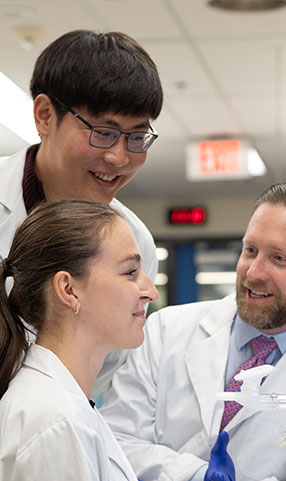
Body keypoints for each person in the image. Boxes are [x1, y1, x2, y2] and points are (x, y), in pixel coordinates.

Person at [99, 182, 286, 481]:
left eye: (278, 259)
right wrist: (193, 476)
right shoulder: (166, 330)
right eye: (250, 250)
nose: (254, 272)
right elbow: (115, 442)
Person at [0, 29, 164, 400]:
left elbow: (98, 381)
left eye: (137, 137)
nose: (119, 158)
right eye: (103, 132)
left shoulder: (136, 244)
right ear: (45, 115)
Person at [0, 200, 160, 481]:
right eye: (131, 272)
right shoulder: (53, 420)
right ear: (69, 290)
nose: (150, 290)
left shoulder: (68, 405)